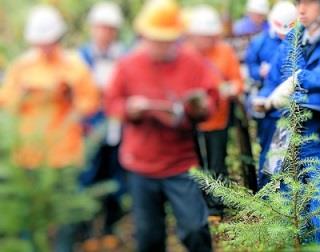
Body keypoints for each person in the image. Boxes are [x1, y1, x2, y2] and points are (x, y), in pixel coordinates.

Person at [104, 0, 219, 251]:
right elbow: (112, 102)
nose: (159, 46)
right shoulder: (128, 64)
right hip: (140, 164)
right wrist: (129, 110)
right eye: (154, 39)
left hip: (180, 162)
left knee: (195, 229)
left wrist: (201, 108)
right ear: (143, 35)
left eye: (166, 40)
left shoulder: (192, 62)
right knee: (149, 236)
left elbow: (213, 97)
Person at [253, 0, 320, 247]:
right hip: (286, 131)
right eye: (298, 3)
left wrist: (300, 79)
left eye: (309, 3)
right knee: (285, 204)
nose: (301, 10)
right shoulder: (292, 39)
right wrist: (265, 99)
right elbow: (274, 79)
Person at [0, 5, 99, 251]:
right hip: (29, 154)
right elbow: (6, 102)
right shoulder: (22, 67)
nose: (45, 47)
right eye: (40, 42)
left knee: (65, 213)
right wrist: (22, 95)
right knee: (31, 213)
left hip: (65, 151)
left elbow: (90, 101)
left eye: (50, 41)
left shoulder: (73, 65)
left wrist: (71, 97)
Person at [185, 5, 244, 216]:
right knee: (196, 163)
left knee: (217, 162)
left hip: (218, 118)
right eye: (202, 36)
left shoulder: (224, 51)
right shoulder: (186, 53)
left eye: (210, 36)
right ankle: (200, 204)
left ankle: (217, 205)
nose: (206, 40)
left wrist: (228, 90)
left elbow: (237, 81)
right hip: (191, 121)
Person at [78, 1, 127, 242]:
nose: (105, 33)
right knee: (88, 178)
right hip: (90, 129)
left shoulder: (123, 55)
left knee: (115, 179)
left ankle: (110, 227)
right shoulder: (81, 57)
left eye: (110, 28)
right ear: (92, 28)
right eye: (101, 27)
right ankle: (85, 230)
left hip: (118, 128)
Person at [245, 0, 298, 188]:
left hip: (295, 112)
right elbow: (269, 79)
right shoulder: (261, 42)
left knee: (293, 160)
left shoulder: (301, 44)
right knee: (269, 154)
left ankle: (288, 200)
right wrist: (263, 97)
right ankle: (266, 196)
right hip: (271, 111)